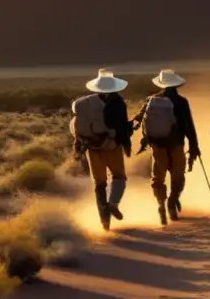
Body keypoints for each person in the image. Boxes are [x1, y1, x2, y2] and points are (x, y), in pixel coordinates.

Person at [133, 69, 201, 226]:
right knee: (178, 176)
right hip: (176, 144)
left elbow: (142, 121)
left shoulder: (152, 100)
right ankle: (172, 201)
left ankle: (161, 205)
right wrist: (194, 145)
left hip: (157, 146)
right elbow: (189, 126)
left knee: (158, 178)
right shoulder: (181, 102)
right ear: (176, 84)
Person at [71, 68, 134, 231]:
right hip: (112, 146)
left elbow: (76, 127)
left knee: (99, 184)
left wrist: (78, 146)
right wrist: (127, 136)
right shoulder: (118, 103)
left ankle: (104, 222)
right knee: (119, 177)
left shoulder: (84, 104)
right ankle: (113, 204)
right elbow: (121, 128)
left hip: (92, 148)